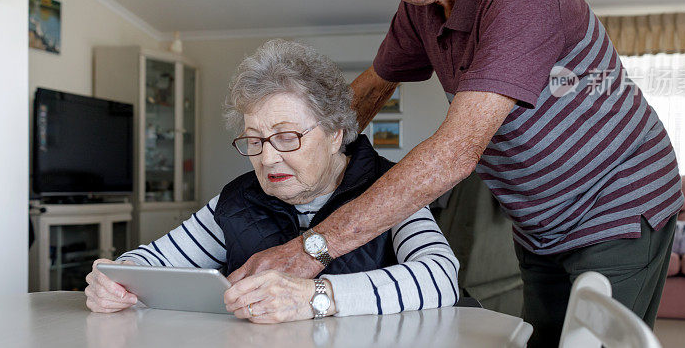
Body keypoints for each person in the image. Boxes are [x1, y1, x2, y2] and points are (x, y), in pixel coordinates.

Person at [229, 0, 683, 346]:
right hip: (540, 222)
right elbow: (367, 92)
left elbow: (455, 153)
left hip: (617, 202)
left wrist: (312, 248)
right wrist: (299, 148)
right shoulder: (423, 2)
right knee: (545, 339)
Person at [85, 39, 459, 323]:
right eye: (254, 139)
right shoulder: (236, 201)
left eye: (286, 137)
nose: (266, 158)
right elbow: (154, 260)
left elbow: (441, 276)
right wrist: (117, 279)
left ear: (335, 134)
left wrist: (316, 297)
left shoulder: (391, 188)